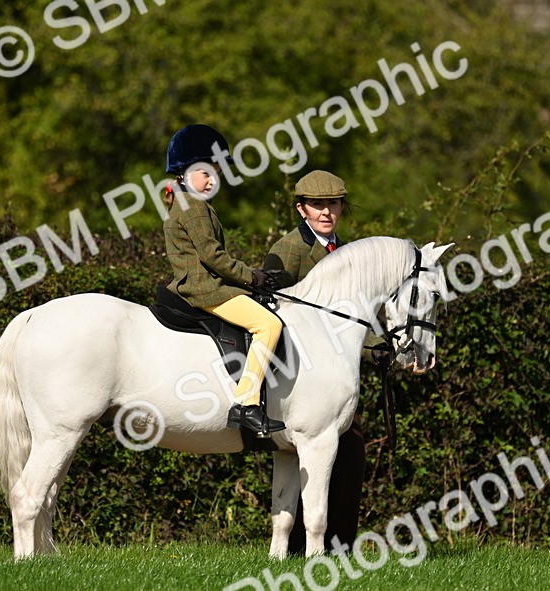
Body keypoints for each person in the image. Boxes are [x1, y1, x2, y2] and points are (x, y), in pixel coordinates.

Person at [262, 170, 390, 554]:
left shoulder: (348, 254)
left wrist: (379, 348)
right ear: (302, 209)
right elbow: (273, 308)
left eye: (332, 204)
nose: (326, 212)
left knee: (351, 451)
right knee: (326, 450)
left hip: (330, 383)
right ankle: (304, 545)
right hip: (295, 380)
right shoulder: (287, 250)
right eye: (317, 205)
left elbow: (358, 319)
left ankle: (339, 546)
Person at [162, 124, 287, 437]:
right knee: (269, 325)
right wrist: (253, 276)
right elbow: (213, 257)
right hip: (205, 290)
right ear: (183, 172)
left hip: (200, 285)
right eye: (205, 172)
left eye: (215, 173)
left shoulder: (186, 201)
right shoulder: (194, 206)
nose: (211, 179)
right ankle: (246, 404)